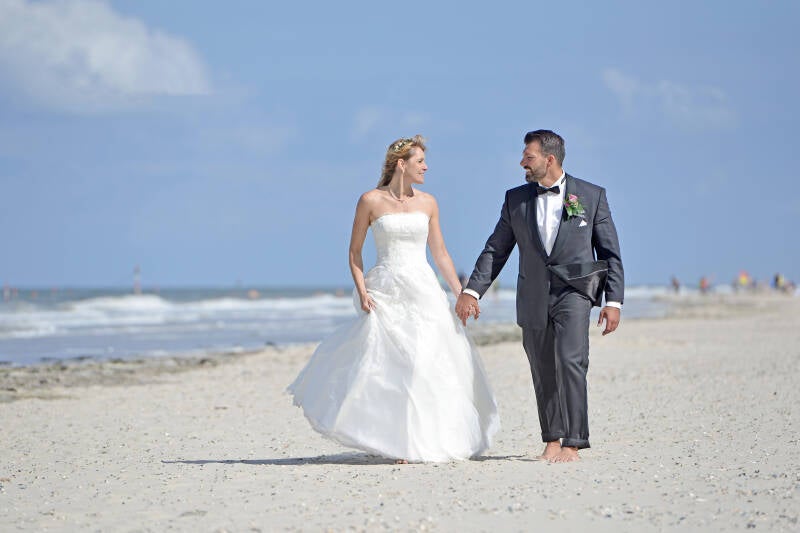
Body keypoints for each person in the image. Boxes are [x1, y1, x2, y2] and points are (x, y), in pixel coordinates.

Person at [288, 135, 499, 463]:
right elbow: (354, 252)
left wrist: (462, 293)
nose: (426, 167)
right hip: (385, 289)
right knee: (390, 365)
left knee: (425, 361)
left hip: (422, 289)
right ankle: (397, 442)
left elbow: (440, 253)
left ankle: (421, 439)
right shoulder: (369, 201)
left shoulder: (428, 202)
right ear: (401, 164)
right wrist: (362, 291)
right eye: (420, 162)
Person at [455, 130, 624, 463]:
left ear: (549, 159)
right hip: (532, 295)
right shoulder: (514, 199)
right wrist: (472, 291)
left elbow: (610, 252)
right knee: (542, 366)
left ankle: (573, 442)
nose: (522, 163)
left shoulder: (591, 196)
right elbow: (496, 249)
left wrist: (613, 301)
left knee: (571, 361)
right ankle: (552, 438)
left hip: (575, 293)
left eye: (527, 157)